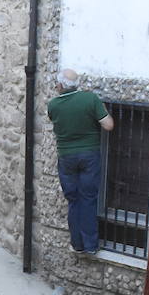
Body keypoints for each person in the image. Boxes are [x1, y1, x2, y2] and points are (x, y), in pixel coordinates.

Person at [46, 69, 114, 256]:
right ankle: (91, 245)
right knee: (88, 199)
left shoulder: (53, 105)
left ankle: (77, 244)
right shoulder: (90, 99)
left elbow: (54, 120)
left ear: (60, 85)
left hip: (66, 156)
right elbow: (108, 125)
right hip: (89, 155)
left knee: (73, 201)